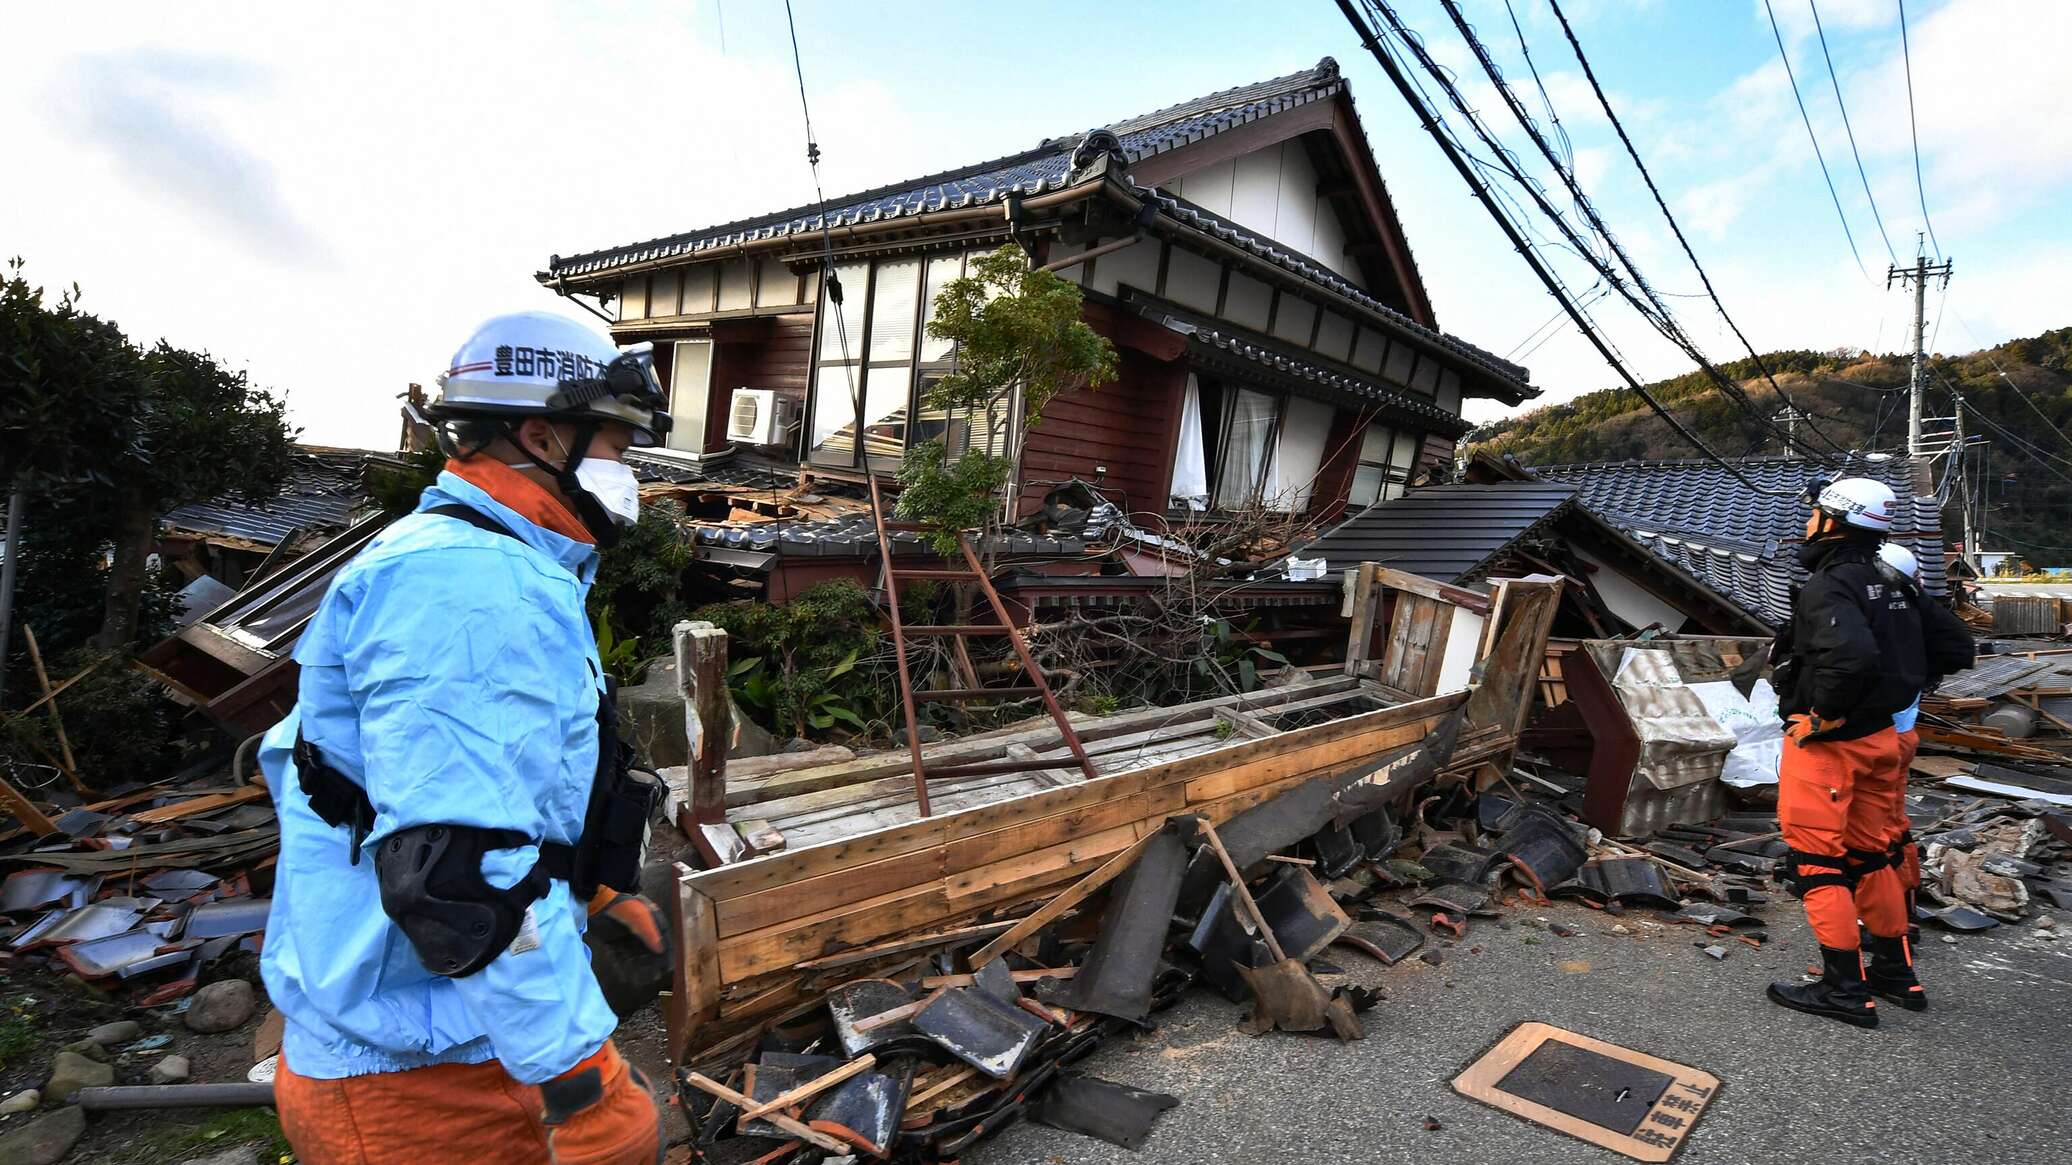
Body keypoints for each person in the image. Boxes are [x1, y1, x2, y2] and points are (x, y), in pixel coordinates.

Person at [258, 312, 674, 1164]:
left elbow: (492, 790)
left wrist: (583, 889)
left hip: (449, 1044)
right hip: (420, 1089)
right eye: (618, 445)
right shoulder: (467, 585)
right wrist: (581, 1080)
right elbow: (462, 869)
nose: (628, 470)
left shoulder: (484, 563)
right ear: (541, 435)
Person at [1765, 477, 1926, 1027]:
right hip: (1883, 737)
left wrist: (1823, 715)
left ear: (1834, 520)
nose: (1808, 522)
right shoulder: (1893, 582)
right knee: (1873, 853)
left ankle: (1843, 989)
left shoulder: (1831, 584)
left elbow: (1851, 655)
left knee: (1817, 860)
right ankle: (1895, 971)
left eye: (1815, 513)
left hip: (1832, 745)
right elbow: (1944, 646)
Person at [1873, 540, 1976, 953]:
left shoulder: (1883, 620)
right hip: (1903, 735)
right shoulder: (1921, 616)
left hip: (1876, 739)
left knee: (1867, 839)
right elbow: (1956, 652)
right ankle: (1904, 913)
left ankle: (1887, 929)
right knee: (1894, 829)